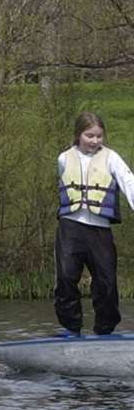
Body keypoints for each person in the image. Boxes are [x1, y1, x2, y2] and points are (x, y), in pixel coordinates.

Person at [54, 112, 134, 337]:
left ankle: (104, 330)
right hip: (71, 227)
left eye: (99, 136)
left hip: (100, 230)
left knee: (106, 281)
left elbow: (129, 183)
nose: (95, 141)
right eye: (90, 135)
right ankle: (70, 328)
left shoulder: (111, 158)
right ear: (78, 135)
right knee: (66, 277)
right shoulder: (63, 158)